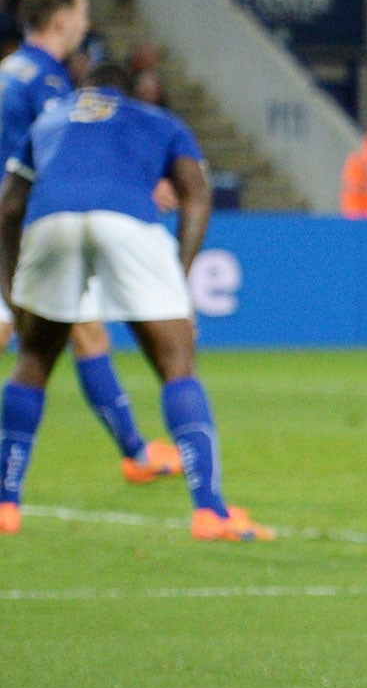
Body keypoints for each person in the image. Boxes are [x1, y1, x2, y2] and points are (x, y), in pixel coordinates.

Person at [0, 62, 272, 540]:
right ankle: (210, 512)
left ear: (85, 92)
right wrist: (179, 281)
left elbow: (8, 206)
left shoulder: (50, 118)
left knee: (34, 360)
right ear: (133, 93)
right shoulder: (157, 120)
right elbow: (197, 196)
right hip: (126, 219)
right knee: (177, 365)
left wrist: (9, 286)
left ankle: (5, 504)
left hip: (51, 219)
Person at [0, 0, 181, 485]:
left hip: (17, 219)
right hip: (14, 222)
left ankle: (137, 451)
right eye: (80, 15)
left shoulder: (12, 69)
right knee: (59, 331)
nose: (86, 24)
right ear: (59, 22)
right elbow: (67, 156)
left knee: (84, 328)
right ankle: (138, 452)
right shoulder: (48, 84)